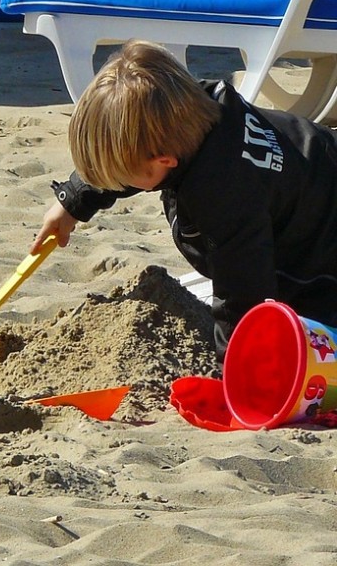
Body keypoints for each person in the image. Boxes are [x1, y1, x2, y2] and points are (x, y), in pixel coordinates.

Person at [32, 39, 337, 363]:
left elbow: (243, 293)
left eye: (122, 175)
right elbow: (135, 153)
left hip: (324, 253)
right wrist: (74, 200)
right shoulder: (194, 109)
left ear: (165, 161)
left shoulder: (224, 196)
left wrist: (236, 368)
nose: (118, 183)